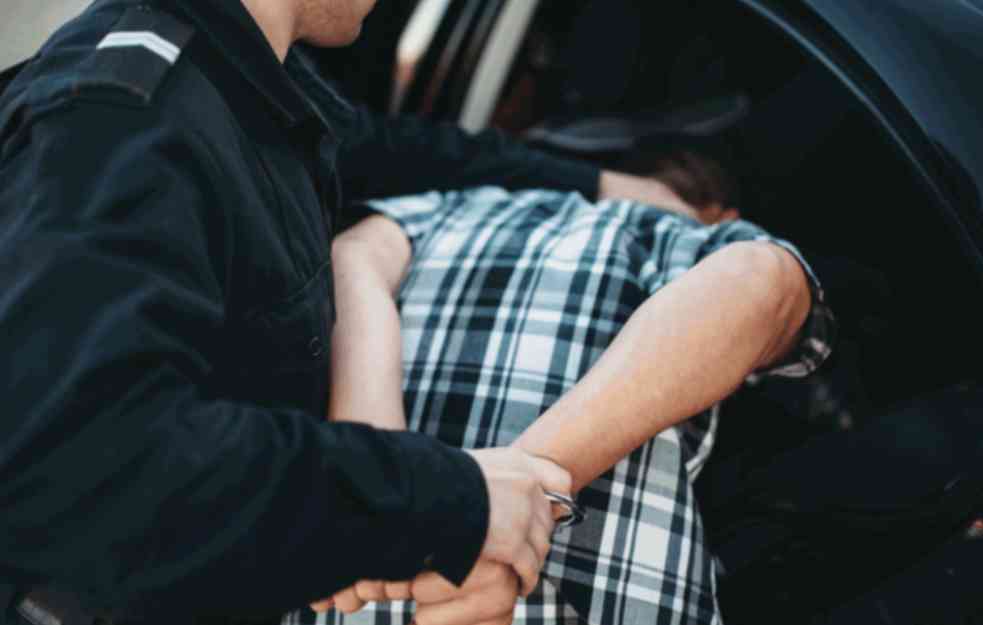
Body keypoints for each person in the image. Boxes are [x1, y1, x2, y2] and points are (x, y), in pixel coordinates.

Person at [0, 0, 695, 623]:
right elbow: (83, 462)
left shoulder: (247, 77)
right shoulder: (117, 117)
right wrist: (438, 502)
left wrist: (600, 184)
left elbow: (383, 153)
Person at [289, 155, 834, 624]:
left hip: (360, 588)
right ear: (722, 214)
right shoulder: (680, 236)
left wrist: (401, 495)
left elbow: (349, 261)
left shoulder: (438, 207)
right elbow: (763, 281)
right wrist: (454, 508)